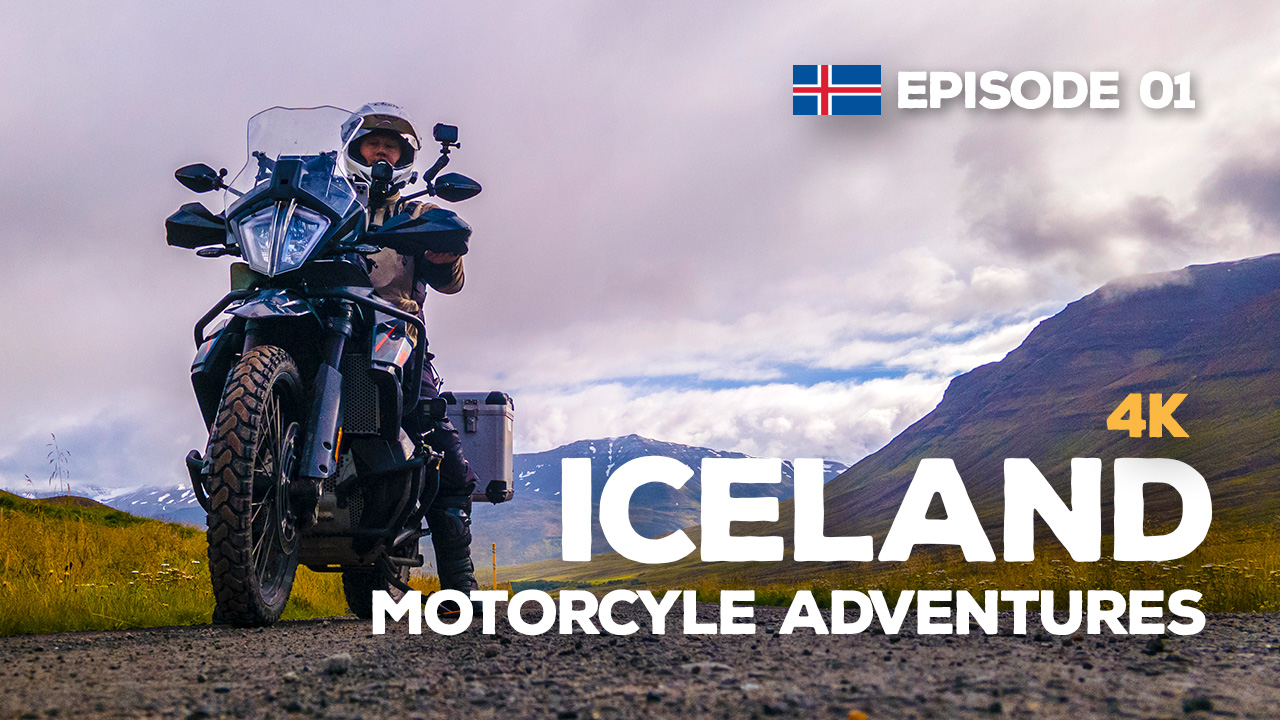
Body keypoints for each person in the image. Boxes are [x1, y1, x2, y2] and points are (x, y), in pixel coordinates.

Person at [340, 102, 479, 596]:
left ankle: (459, 588)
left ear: (402, 156)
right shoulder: (323, 203)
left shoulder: (416, 209)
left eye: (391, 146)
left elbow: (451, 280)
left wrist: (443, 255)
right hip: (314, 318)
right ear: (355, 150)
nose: (381, 151)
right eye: (372, 144)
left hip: (392, 334)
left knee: (447, 459)